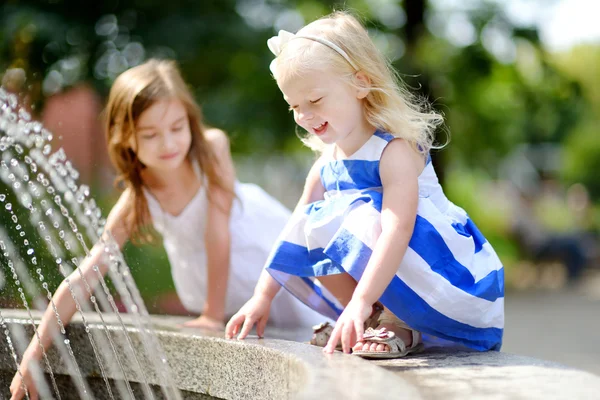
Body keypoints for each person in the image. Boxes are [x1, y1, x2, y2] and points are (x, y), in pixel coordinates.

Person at [10, 59, 325, 399]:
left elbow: (218, 232)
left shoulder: (211, 148)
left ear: (189, 121)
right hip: (219, 278)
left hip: (255, 250)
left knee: (309, 323)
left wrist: (211, 314)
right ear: (126, 138)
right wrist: (31, 356)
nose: (168, 143)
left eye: (177, 128)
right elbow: (87, 272)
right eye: (150, 134)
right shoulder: (139, 196)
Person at [225, 11, 504, 359]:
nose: (304, 115)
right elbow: (295, 229)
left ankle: (397, 319)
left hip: (445, 274)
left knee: (356, 215)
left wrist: (362, 295)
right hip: (393, 279)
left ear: (360, 83)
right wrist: (262, 296)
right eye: (294, 106)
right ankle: (369, 319)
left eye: (314, 100)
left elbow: (397, 228)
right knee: (312, 220)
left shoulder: (393, 150)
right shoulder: (327, 162)